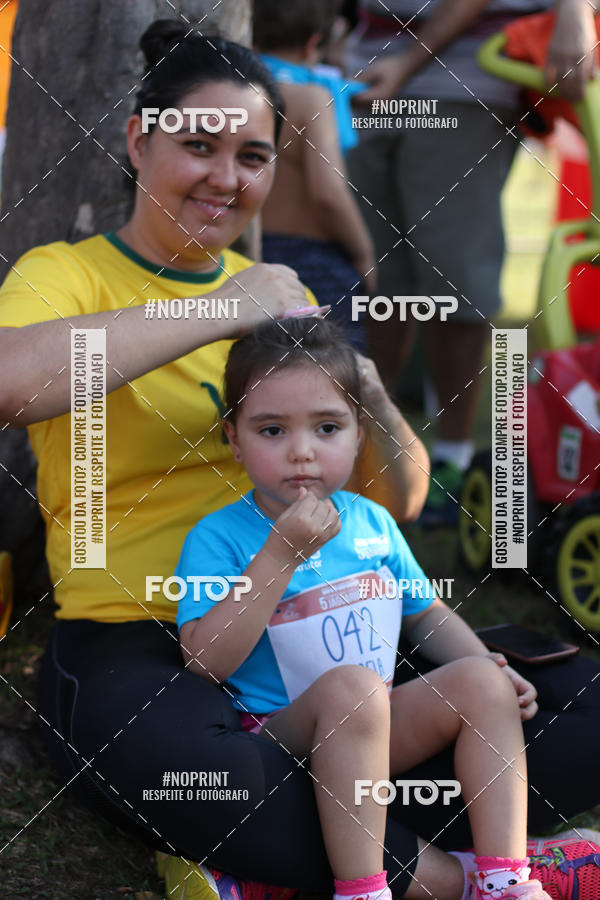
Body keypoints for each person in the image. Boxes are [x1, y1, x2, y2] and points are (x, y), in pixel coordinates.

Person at [0, 17, 596, 900]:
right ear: (138, 138)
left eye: (253, 155)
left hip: (328, 638)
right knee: (208, 785)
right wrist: (219, 306)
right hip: (147, 644)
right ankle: (465, 873)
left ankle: (309, 848)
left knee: (571, 706)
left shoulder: (290, 308)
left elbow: (396, 498)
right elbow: (13, 382)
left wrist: (362, 385)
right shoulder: (73, 274)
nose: (225, 178)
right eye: (198, 146)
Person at [175, 315, 553, 900]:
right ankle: (363, 890)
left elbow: (423, 613)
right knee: (353, 688)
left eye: (327, 427)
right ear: (234, 437)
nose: (302, 452)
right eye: (271, 431)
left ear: (358, 432)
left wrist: (492, 668)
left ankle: (503, 880)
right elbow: (206, 660)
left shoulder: (371, 520)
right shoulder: (219, 537)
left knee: (480, 680)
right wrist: (278, 554)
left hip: (373, 732)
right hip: (276, 741)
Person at [344, 0, 600, 525]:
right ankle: (364, 453)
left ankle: (452, 461)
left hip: (461, 80)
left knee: (454, 281)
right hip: (364, 68)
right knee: (374, 280)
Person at [253, 0, 376, 350]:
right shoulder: (312, 98)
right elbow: (328, 193)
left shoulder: (233, 89)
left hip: (248, 252)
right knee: (336, 370)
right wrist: (364, 254)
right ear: (313, 42)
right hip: (313, 259)